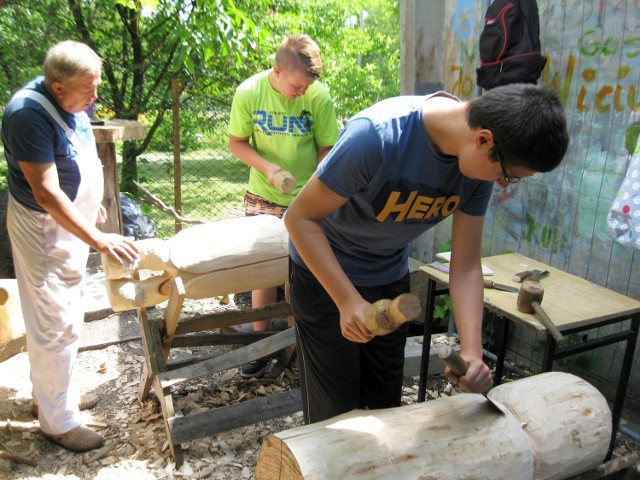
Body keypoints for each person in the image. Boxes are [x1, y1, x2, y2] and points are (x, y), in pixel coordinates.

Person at [284, 83, 569, 424]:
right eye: (509, 175)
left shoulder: (476, 170)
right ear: (483, 139)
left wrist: (472, 353)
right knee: (334, 415)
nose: (504, 185)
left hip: (388, 277)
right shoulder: (376, 137)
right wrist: (346, 301)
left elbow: (464, 267)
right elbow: (299, 219)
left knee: (385, 407)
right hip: (325, 278)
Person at [2, 40, 139, 452]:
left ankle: (51, 395)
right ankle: (57, 422)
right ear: (57, 87)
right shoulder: (27, 114)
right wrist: (96, 237)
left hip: (67, 224)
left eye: (95, 86)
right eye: (87, 90)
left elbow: (73, 159)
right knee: (53, 321)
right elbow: (45, 192)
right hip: (44, 230)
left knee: (65, 316)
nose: (95, 97)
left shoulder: (75, 97)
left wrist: (88, 204)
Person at [228, 33, 339, 379]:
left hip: (307, 199)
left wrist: (319, 188)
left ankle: (297, 347)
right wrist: (269, 168)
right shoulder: (249, 92)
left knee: (300, 272)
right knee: (263, 270)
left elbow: (328, 150)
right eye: (296, 87)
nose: (301, 93)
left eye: (306, 88)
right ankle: (260, 345)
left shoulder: (318, 96)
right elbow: (237, 142)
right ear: (277, 71)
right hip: (263, 193)